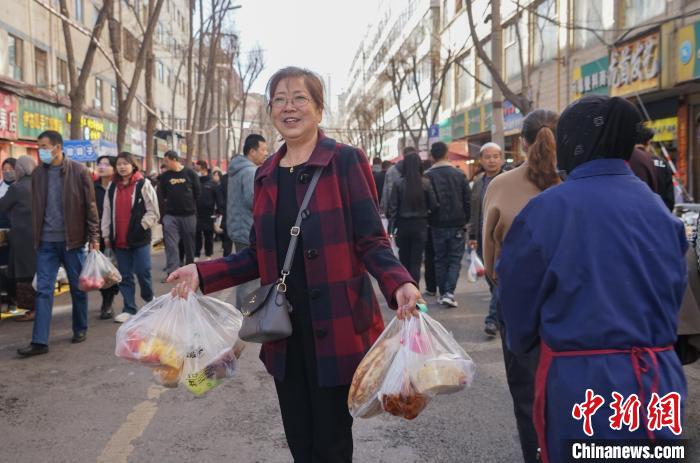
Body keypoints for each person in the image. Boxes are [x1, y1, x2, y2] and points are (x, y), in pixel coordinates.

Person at [168, 66, 420, 462]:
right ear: (270, 111)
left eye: (300, 98)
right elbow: (256, 254)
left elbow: (371, 238)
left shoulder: (345, 161)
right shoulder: (266, 174)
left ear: (319, 109)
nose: (289, 107)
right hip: (283, 331)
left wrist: (398, 282)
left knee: (332, 442)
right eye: (280, 99)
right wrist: (201, 272)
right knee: (300, 440)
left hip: (337, 326)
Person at [498, 95, 687, 463]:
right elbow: (674, 290)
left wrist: (524, 342)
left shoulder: (547, 210)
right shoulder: (658, 209)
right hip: (659, 380)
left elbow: (517, 300)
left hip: (584, 382)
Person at [481, 109, 560, 463]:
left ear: (522, 143)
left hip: (518, 303)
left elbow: (490, 256)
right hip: (573, 302)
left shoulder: (499, 185)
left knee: (527, 397)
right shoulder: (575, 181)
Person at [17, 130, 100, 357]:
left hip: (72, 242)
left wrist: (94, 238)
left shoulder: (79, 171)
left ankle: (80, 328)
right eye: (38, 146)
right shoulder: (38, 174)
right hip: (45, 242)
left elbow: (90, 207)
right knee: (43, 291)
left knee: (77, 287)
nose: (40, 150)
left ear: (57, 147)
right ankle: (39, 341)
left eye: (44, 146)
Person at [102, 152, 160, 324]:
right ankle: (129, 308)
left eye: (125, 163)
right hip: (118, 239)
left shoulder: (143, 184)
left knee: (143, 271)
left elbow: (154, 211)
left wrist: (141, 226)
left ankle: (150, 300)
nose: (122, 167)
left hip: (139, 238)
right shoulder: (112, 187)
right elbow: (106, 212)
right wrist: (106, 234)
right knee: (124, 275)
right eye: (119, 164)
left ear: (133, 165)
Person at [425, 141, 471, 308]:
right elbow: (467, 199)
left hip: (436, 223)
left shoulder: (428, 176)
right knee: (454, 259)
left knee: (440, 259)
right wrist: (467, 219)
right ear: (446, 154)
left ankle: (443, 292)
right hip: (457, 222)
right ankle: (449, 292)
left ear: (432, 156)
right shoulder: (459, 175)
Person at [468, 142, 505, 334]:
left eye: (496, 156)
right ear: (481, 160)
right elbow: (474, 211)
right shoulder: (478, 182)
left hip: (503, 236)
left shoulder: (509, 179)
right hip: (483, 237)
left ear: (501, 157)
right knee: (492, 280)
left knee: (499, 278)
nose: (492, 160)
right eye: (488, 157)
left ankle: (492, 319)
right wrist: (472, 235)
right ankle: (503, 315)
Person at [226, 133, 267, 308]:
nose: (266, 153)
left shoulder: (236, 170)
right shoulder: (250, 171)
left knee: (243, 274)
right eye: (263, 149)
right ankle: (245, 316)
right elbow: (254, 201)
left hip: (237, 228)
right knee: (250, 278)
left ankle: (241, 314)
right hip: (247, 229)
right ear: (252, 151)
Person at [387, 152, 437, 284]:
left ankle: (405, 288)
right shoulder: (425, 183)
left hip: (403, 226)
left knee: (404, 260)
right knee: (416, 261)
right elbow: (434, 204)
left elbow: (393, 208)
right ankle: (415, 292)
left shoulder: (398, 184)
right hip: (420, 225)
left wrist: (390, 230)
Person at [0, 155, 37, 321]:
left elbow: (2, 205)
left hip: (22, 236)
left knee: (24, 275)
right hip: (39, 235)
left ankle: (31, 310)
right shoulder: (39, 184)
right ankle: (38, 308)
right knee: (36, 272)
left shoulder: (17, 187)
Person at [159, 150, 200, 279]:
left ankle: (190, 269)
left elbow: (198, 192)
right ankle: (172, 271)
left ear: (174, 159)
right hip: (171, 216)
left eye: (166, 161)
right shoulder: (165, 177)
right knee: (171, 245)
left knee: (189, 245)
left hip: (188, 215)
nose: (165, 164)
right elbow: (163, 194)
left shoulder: (190, 173)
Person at [94, 155, 120, 319]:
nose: (102, 167)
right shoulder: (92, 187)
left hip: (118, 233)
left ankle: (116, 293)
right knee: (103, 270)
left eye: (106, 164)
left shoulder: (119, 186)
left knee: (118, 269)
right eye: (100, 164)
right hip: (98, 234)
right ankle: (107, 302)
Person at [634, 126, 675, 211]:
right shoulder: (662, 163)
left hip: (636, 216)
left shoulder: (627, 161)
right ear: (649, 142)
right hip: (660, 215)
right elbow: (670, 199)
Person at [0, 158, 17, 311]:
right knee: (3, 266)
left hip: (18, 233)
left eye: (10, 168)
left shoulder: (21, 187)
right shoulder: (0, 187)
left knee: (14, 266)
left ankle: (14, 298)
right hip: (1, 234)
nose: (6, 171)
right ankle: (4, 297)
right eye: (4, 168)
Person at [194, 160, 217, 260]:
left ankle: (208, 254)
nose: (196, 169)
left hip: (209, 213)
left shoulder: (212, 183)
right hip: (197, 213)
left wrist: (217, 211)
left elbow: (217, 197)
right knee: (197, 235)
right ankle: (196, 254)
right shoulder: (196, 181)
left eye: (197, 167)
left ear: (203, 167)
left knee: (208, 235)